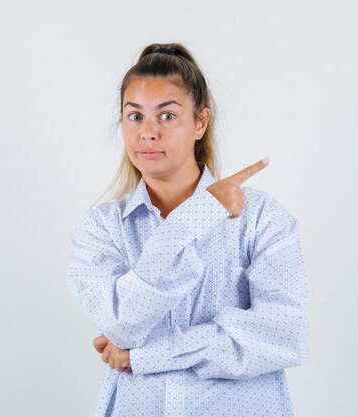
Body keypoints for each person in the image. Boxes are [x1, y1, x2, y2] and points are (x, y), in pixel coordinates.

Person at [66, 42, 310, 417]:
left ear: (200, 122)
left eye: (166, 116)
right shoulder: (102, 229)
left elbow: (282, 336)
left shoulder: (262, 218)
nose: (147, 132)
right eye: (134, 116)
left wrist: (146, 356)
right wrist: (193, 219)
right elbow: (122, 325)